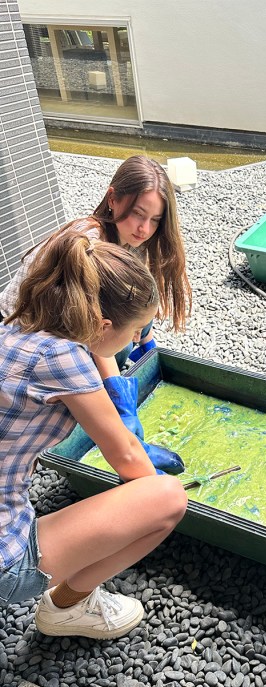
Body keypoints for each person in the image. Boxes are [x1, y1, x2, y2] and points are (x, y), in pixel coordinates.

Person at [0, 230, 187, 639]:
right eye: (135, 330)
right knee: (168, 498)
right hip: (4, 562)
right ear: (103, 327)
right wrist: (138, 463)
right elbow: (130, 463)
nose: (136, 340)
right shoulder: (64, 357)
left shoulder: (19, 326)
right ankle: (69, 607)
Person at [0, 155, 192, 440]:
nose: (145, 229)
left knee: (129, 325)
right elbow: (93, 333)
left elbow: (136, 304)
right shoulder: (89, 245)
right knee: (116, 350)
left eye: (155, 220)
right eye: (138, 214)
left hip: (78, 325)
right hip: (23, 335)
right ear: (112, 198)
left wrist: (148, 346)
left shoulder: (130, 238)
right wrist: (118, 401)